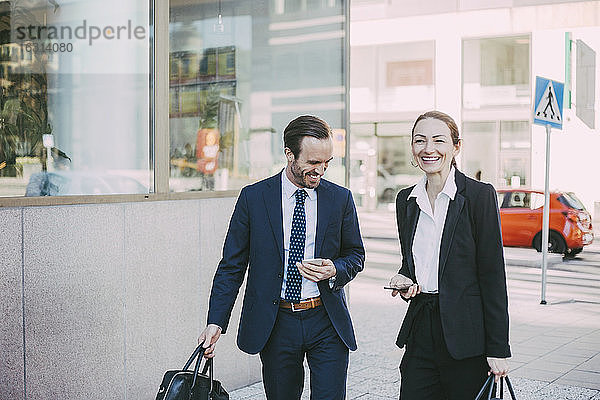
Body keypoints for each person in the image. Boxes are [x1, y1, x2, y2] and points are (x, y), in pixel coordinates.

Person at [198, 115, 365, 400]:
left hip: (326, 320)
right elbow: (231, 266)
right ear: (289, 154)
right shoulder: (253, 198)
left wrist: (335, 269)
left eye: (327, 162)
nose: (320, 170)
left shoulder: (340, 199)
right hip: (276, 323)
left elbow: (355, 254)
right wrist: (216, 320)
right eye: (313, 163)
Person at [388, 111, 510, 400]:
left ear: (456, 147)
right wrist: (404, 279)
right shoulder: (406, 199)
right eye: (420, 140)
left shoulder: (478, 196)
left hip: (465, 336)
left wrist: (498, 348)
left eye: (438, 140)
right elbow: (412, 262)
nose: (428, 148)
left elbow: (492, 275)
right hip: (420, 330)